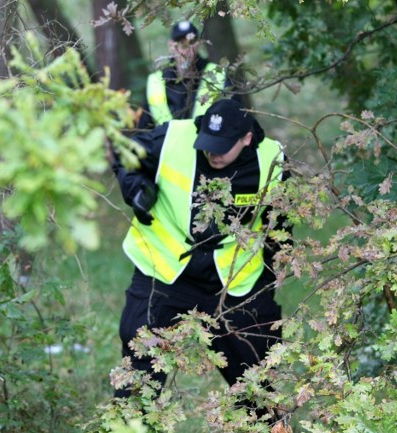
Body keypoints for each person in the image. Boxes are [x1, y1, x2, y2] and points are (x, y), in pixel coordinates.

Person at [112, 98, 288, 399]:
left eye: (222, 147)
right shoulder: (172, 138)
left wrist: (270, 279)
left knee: (258, 383)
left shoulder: (273, 161)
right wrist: (137, 189)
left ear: (246, 139)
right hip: (165, 274)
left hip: (234, 283)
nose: (212, 152)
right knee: (138, 376)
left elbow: (282, 226)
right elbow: (124, 152)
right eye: (208, 142)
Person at [136, 20, 238, 130]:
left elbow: (236, 121)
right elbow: (145, 131)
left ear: (198, 44)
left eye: (191, 43)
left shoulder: (218, 75)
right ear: (171, 45)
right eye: (181, 43)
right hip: (168, 147)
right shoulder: (155, 82)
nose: (186, 50)